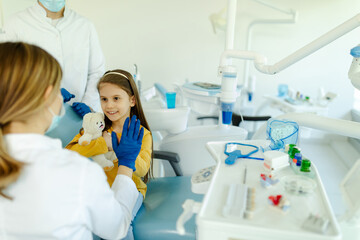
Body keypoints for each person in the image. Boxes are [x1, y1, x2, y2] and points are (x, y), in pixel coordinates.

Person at [0, 42, 143, 239]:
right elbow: (116, 228)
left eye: (116, 99)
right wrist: (126, 163)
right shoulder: (76, 172)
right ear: (47, 95)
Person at [66, 69, 153, 240]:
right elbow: (70, 153)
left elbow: (142, 170)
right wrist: (104, 144)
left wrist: (124, 151)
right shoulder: (96, 128)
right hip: (100, 190)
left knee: (121, 228)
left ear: (132, 100)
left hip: (132, 191)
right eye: (104, 99)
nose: (109, 105)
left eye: (116, 98)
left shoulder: (142, 134)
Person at [0, 0, 105, 116]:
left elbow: (97, 72)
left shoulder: (85, 25)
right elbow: (7, 72)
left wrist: (88, 104)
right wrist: (45, 92)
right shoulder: (15, 23)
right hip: (34, 114)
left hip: (80, 117)